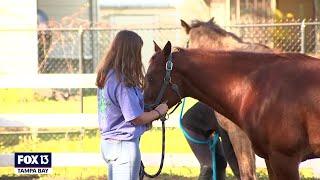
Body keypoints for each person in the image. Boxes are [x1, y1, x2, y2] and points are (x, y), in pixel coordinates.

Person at [95, 30, 168, 180]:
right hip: (123, 147)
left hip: (109, 145)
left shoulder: (106, 76)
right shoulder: (122, 82)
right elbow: (135, 118)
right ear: (130, 53)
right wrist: (159, 112)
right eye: (137, 52)